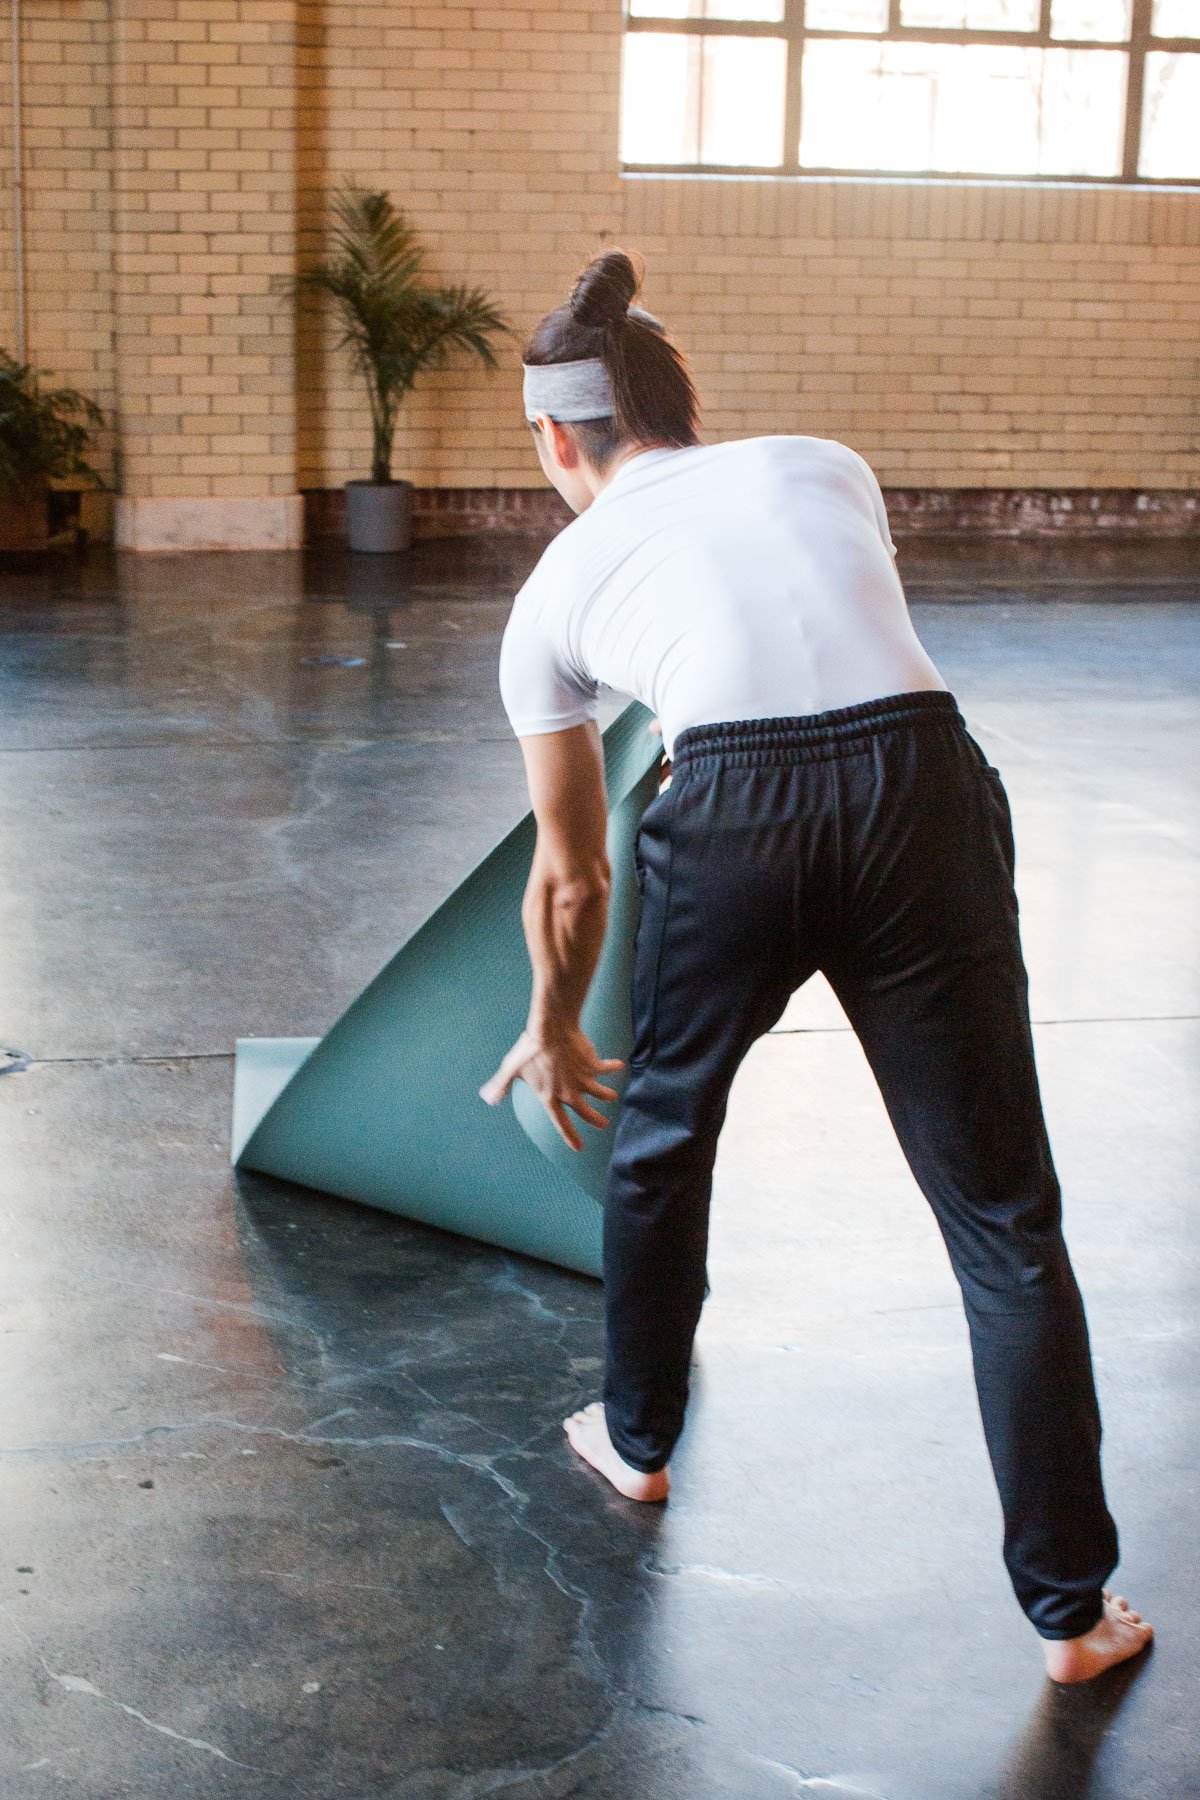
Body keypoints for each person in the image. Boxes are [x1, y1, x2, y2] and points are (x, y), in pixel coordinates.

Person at [479, 249, 1151, 1685]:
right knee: (1001, 1217)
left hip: (728, 810)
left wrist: (552, 1023)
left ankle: (638, 1442)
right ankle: (1076, 1614)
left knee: (665, 1138)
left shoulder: (551, 596)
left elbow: (573, 871)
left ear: (551, 438)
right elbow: (824, 643)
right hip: (921, 775)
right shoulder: (825, 464)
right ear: (681, 399)